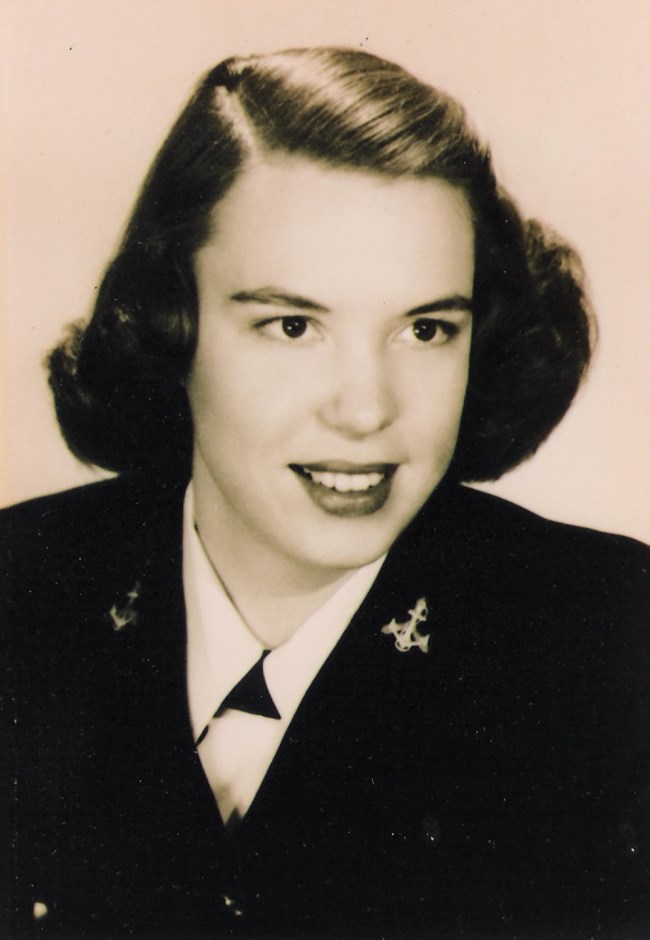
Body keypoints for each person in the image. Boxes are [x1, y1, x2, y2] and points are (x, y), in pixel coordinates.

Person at [1, 46, 648, 939]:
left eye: (425, 329)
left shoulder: (615, 645)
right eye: (293, 325)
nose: (366, 410)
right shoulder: (20, 588)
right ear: (169, 324)